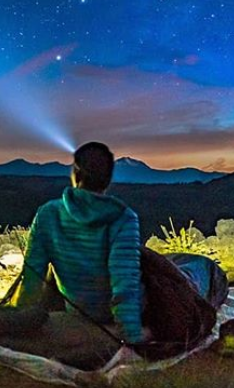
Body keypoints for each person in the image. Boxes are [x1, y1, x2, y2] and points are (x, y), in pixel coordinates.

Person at [14, 141, 145, 346]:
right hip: (109, 315)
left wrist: (19, 320)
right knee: (154, 268)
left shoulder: (48, 213)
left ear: (76, 173)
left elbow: (32, 275)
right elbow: (125, 284)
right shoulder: (124, 217)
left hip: (77, 308)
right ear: (108, 179)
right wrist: (132, 339)